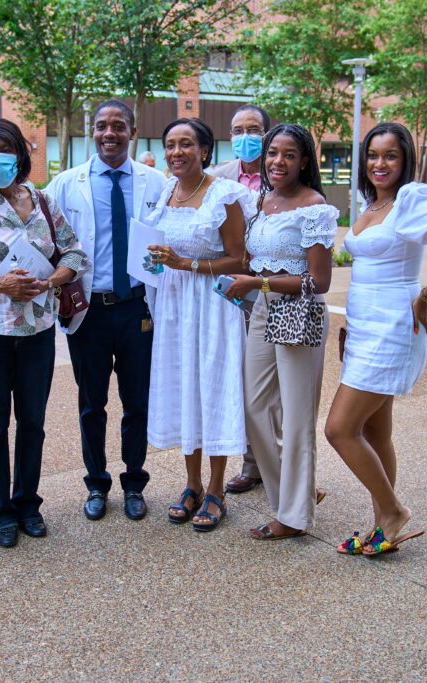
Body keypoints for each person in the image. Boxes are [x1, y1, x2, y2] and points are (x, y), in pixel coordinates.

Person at [324, 122, 427, 555]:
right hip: (364, 327)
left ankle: (392, 511)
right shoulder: (372, 203)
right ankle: (382, 527)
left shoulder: (412, 198)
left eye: (390, 155)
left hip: (393, 327)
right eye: (372, 155)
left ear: (405, 158)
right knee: (375, 431)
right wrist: (351, 328)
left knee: (339, 429)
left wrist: (426, 296)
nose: (379, 163)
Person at [0, 118, 88, 548]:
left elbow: (75, 253)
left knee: (33, 421)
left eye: (3, 151)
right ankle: (0, 512)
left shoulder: (42, 201)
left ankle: (28, 503)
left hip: (39, 329)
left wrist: (50, 281)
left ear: (20, 154)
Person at [46, 99, 167, 522]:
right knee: (90, 403)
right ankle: (96, 483)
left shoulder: (156, 184)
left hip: (138, 309)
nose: (109, 134)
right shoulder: (65, 184)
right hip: (89, 313)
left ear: (132, 132)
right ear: (91, 132)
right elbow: (52, 245)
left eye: (118, 126)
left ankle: (134, 482)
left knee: (137, 402)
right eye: (101, 126)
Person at [223, 123, 338, 540]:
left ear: (305, 161)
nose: (277, 161)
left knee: (296, 417)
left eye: (289, 154)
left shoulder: (314, 207)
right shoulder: (261, 201)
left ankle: (292, 516)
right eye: (273, 153)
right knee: (255, 410)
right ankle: (299, 492)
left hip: (298, 310)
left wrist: (258, 283)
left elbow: (319, 281)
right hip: (261, 309)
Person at [146, 117, 252, 532]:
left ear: (205, 150)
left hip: (212, 305)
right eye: (170, 144)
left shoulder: (223, 195)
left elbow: (240, 260)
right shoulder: (165, 193)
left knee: (213, 389)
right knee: (184, 389)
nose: (176, 152)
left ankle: (216, 488)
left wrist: (184, 263)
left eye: (186, 144)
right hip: (173, 306)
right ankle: (190, 484)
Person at [209, 103, 275, 496]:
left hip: (268, 291)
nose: (244, 136)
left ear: (267, 133)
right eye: (236, 130)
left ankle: (269, 464)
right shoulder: (217, 177)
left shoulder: (281, 174)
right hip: (226, 292)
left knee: (268, 384)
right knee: (237, 379)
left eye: (252, 129)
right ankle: (251, 463)